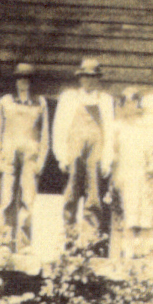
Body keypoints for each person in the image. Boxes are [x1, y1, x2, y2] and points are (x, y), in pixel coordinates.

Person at [51, 58, 115, 247]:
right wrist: (61, 155)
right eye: (85, 77)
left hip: (96, 149)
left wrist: (107, 159)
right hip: (74, 150)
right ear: (80, 79)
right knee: (71, 193)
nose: (88, 81)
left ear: (97, 80)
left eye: (92, 77)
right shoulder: (69, 98)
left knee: (94, 195)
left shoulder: (105, 100)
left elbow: (110, 130)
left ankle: (90, 240)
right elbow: (59, 127)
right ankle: (69, 238)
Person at [109, 88, 153, 258]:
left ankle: (144, 249)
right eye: (128, 103)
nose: (132, 106)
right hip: (126, 172)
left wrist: (151, 163)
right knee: (129, 209)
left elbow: (150, 149)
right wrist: (115, 174)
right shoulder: (117, 126)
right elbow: (114, 152)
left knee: (146, 209)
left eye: (135, 102)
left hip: (143, 172)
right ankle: (128, 249)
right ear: (122, 105)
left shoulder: (143, 125)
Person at [0, 62, 49, 253]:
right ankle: (4, 241)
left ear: (32, 82)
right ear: (15, 81)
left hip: (30, 155)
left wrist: (41, 159)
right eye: (20, 79)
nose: (23, 83)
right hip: (8, 154)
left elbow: (45, 134)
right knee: (6, 197)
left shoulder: (40, 103)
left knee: (28, 198)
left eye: (27, 79)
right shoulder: (5, 101)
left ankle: (24, 243)